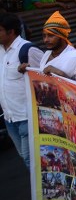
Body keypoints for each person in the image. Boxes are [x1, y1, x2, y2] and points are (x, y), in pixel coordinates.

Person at [0, 13, 43, 169]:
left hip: (27, 117)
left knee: (30, 160)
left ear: (11, 32)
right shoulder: (0, 51)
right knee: (29, 160)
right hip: (10, 118)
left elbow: (47, 78)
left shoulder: (27, 50)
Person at [39, 11, 76, 84]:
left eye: (51, 35)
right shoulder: (46, 55)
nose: (46, 40)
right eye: (44, 36)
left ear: (62, 37)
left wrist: (62, 75)